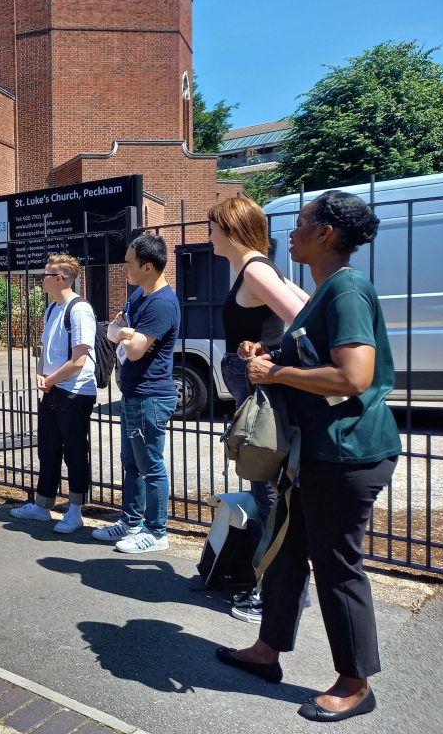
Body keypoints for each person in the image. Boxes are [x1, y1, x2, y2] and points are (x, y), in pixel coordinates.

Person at [215, 191, 400, 723]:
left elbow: (353, 376)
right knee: (287, 549)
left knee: (338, 567)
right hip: (318, 451)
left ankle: (355, 681)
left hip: (349, 454)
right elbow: (314, 356)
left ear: (324, 235)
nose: (288, 234)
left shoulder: (346, 289)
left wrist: (277, 374)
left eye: (299, 224)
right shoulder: (324, 292)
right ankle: (267, 649)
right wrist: (266, 353)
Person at [208, 196, 309, 622]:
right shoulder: (257, 267)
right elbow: (310, 305)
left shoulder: (253, 268)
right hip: (256, 384)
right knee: (265, 488)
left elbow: (305, 315)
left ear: (229, 229)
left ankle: (276, 595)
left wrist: (273, 355)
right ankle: (276, 588)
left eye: (212, 227)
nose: (208, 234)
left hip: (261, 389)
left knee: (266, 490)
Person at [92, 235, 180, 553]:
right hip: (133, 394)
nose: (124, 268)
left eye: (129, 263)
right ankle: (130, 522)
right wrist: (125, 332)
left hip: (150, 397)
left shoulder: (161, 303)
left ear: (147, 266)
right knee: (131, 462)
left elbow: (136, 348)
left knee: (151, 465)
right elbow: (112, 331)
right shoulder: (140, 295)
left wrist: (124, 333)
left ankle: (157, 532)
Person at [10, 254, 97, 532]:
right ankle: (42, 505)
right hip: (53, 389)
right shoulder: (52, 309)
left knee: (74, 450)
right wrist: (41, 373)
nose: (41, 278)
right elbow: (44, 349)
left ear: (59, 278)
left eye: (46, 274)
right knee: (48, 448)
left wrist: (51, 380)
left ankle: (75, 510)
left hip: (74, 391)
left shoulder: (79, 309)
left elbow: (80, 359)